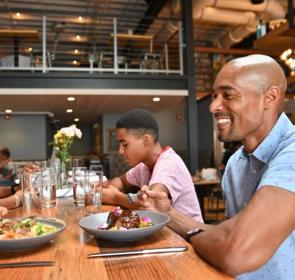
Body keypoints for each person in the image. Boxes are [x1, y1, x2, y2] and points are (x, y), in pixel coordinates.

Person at [137, 55, 295, 279]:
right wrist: (168, 213)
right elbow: (226, 234)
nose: (213, 106)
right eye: (214, 96)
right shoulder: (236, 164)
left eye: (228, 95)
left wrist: (194, 237)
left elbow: (236, 250)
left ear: (269, 97)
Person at [102, 108, 203, 222]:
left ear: (145, 140)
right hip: (166, 233)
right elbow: (121, 181)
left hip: (188, 237)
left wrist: (115, 197)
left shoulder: (169, 163)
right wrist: (106, 189)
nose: (120, 151)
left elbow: (150, 205)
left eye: (125, 145)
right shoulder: (143, 166)